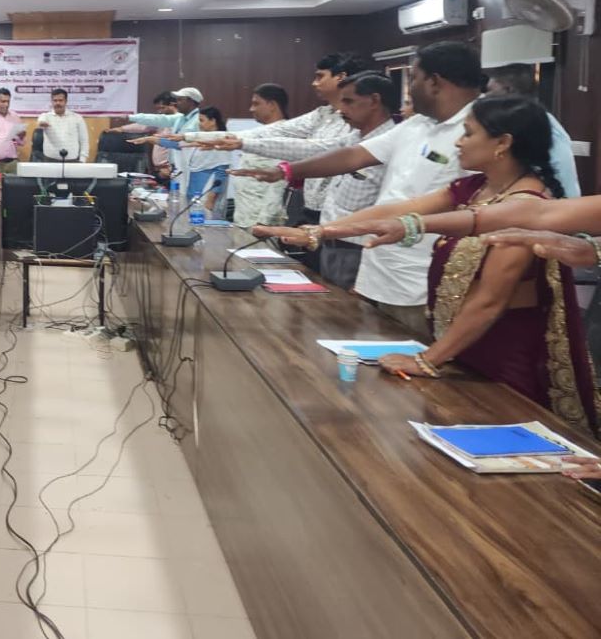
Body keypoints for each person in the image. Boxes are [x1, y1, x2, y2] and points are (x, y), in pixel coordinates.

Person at [279, 98, 600, 435]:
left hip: (499, 355)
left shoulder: (526, 203)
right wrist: (320, 231)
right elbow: (399, 210)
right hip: (459, 345)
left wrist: (427, 360)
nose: (459, 142)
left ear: (502, 143)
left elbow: (489, 301)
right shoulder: (475, 188)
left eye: (468, 133)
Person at [239, 42, 485, 332]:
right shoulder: (417, 124)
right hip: (383, 268)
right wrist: (286, 171)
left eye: (414, 78)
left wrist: (321, 231)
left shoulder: (480, 129)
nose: (409, 89)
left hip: (426, 280)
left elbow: (458, 207)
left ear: (434, 82)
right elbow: (353, 156)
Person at [233, 74, 398, 287]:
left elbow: (394, 208)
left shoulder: (395, 141)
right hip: (332, 240)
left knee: (348, 304)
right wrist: (275, 166)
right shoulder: (355, 137)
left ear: (374, 101)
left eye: (348, 102)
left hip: (362, 246)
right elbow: (312, 149)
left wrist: (282, 171)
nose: (341, 109)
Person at [190, 54, 368, 229]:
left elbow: (318, 149)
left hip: (336, 215)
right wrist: (193, 137)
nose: (314, 83)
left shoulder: (358, 125)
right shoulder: (322, 114)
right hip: (308, 210)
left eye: (320, 76)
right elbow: (264, 133)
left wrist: (244, 144)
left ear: (341, 77)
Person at [484, 63, 581, 197]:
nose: (485, 96)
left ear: (508, 90)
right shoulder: (520, 122)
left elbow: (559, 172)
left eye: (489, 90)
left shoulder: (537, 124)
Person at [229, 83, 290, 227]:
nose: (251, 109)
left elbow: (280, 184)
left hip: (260, 223)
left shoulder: (284, 135)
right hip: (244, 217)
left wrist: (264, 222)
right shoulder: (262, 133)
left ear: (272, 105)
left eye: (256, 104)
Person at [36, 88, 91, 162]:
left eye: (60, 100)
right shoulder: (45, 116)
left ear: (66, 101)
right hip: (50, 160)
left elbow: (84, 141)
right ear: (51, 102)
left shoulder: (77, 118)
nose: (57, 103)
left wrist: (82, 160)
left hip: (72, 160)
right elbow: (40, 122)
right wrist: (41, 123)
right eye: (55, 100)